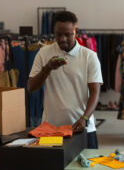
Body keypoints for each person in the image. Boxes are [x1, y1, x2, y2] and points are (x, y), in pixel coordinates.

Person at [27, 11, 103, 149]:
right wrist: (47, 68)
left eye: (67, 34)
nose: (62, 39)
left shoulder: (89, 57)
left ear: (76, 32)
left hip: (82, 127)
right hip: (51, 130)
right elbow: (31, 87)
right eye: (58, 34)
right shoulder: (43, 53)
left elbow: (95, 93)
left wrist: (84, 118)